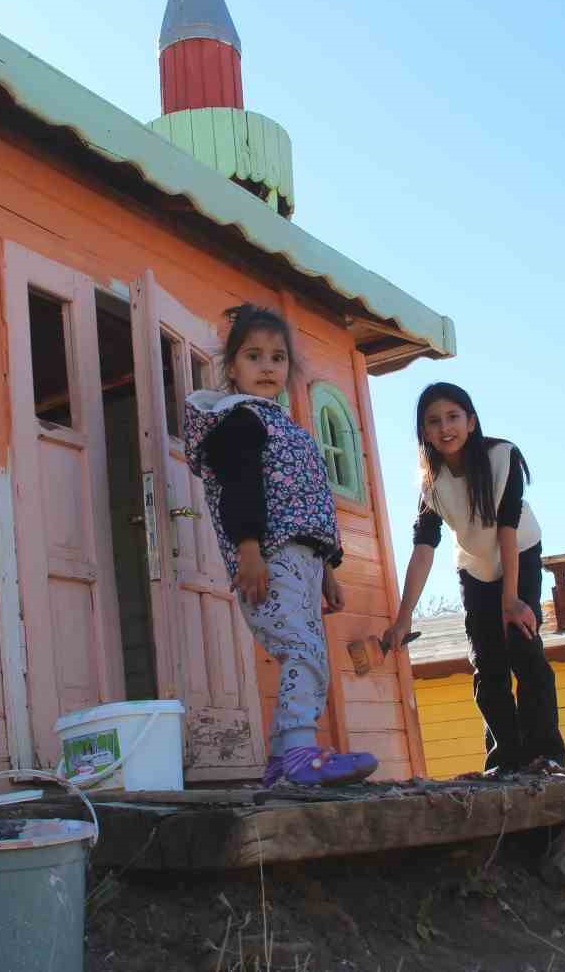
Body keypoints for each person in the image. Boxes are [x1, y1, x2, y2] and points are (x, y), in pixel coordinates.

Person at [185, 304, 378, 787]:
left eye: (277, 358)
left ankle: (282, 763)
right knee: (302, 651)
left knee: (310, 650)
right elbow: (240, 488)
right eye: (254, 356)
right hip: (268, 559)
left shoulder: (286, 427)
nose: (268, 366)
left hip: (301, 561)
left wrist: (328, 569)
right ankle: (297, 750)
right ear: (232, 368)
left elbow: (305, 505)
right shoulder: (240, 422)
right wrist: (248, 549)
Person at [385, 383, 565, 773]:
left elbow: (507, 528)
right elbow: (423, 548)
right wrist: (404, 617)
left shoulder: (502, 456)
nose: (444, 427)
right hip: (474, 568)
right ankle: (505, 759)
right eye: (433, 421)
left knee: (524, 648)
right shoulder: (431, 483)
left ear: (471, 421)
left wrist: (512, 599)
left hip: (519, 554)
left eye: (453, 417)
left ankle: (546, 754)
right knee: (487, 661)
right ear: (424, 432)